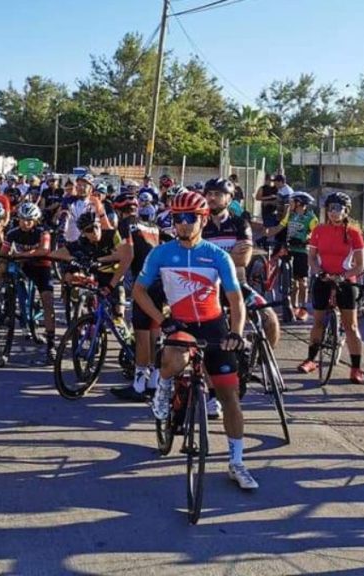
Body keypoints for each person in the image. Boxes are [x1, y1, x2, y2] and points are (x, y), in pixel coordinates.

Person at [132, 191, 257, 490]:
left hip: (214, 326)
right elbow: (139, 291)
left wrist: (236, 333)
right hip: (181, 324)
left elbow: (235, 300)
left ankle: (237, 462)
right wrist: (163, 321)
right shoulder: (161, 253)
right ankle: (162, 387)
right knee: (176, 356)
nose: (183, 224)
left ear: (202, 220)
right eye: (177, 219)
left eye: (189, 219)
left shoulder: (217, 256)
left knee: (230, 398)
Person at [200, 177, 279, 417]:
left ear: (229, 198)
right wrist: (227, 256)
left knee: (269, 317)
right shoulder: (199, 223)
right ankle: (213, 395)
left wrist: (212, 258)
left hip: (237, 284)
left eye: (218, 194)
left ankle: (264, 363)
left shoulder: (239, 223)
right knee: (207, 339)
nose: (212, 198)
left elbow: (243, 260)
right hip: (209, 288)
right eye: (209, 193)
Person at [297, 192, 364, 383]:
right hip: (323, 278)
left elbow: (360, 265)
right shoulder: (319, 230)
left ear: (346, 211)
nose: (334, 213)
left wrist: (343, 276)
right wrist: (320, 272)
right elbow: (311, 257)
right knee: (318, 322)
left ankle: (356, 367)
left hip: (345, 281)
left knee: (350, 326)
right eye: (330, 209)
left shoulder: (353, 233)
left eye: (338, 209)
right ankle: (311, 359)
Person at [108, 191, 162, 402]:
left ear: (118, 210)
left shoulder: (125, 225)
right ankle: (153, 381)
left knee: (141, 334)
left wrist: (112, 283)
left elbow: (127, 256)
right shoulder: (151, 225)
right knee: (153, 333)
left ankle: (139, 386)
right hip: (160, 283)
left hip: (144, 282)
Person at [2, 202, 56, 364]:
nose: (25, 223)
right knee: (4, 268)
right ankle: (0, 302)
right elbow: (3, 252)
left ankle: (51, 344)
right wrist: (1, 263)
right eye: (22, 219)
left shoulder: (42, 232)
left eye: (30, 220)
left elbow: (45, 250)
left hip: (41, 267)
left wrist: (22, 254)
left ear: (36, 221)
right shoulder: (12, 233)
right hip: (23, 266)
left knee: (47, 301)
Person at [266, 191, 317, 322]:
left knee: (302, 282)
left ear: (299, 203)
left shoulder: (311, 218)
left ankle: (303, 307)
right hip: (290, 250)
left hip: (302, 252)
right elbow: (280, 226)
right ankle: (293, 307)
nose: (290, 204)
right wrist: (266, 235)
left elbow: (316, 236)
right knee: (292, 282)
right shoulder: (291, 214)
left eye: (293, 202)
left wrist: (305, 240)